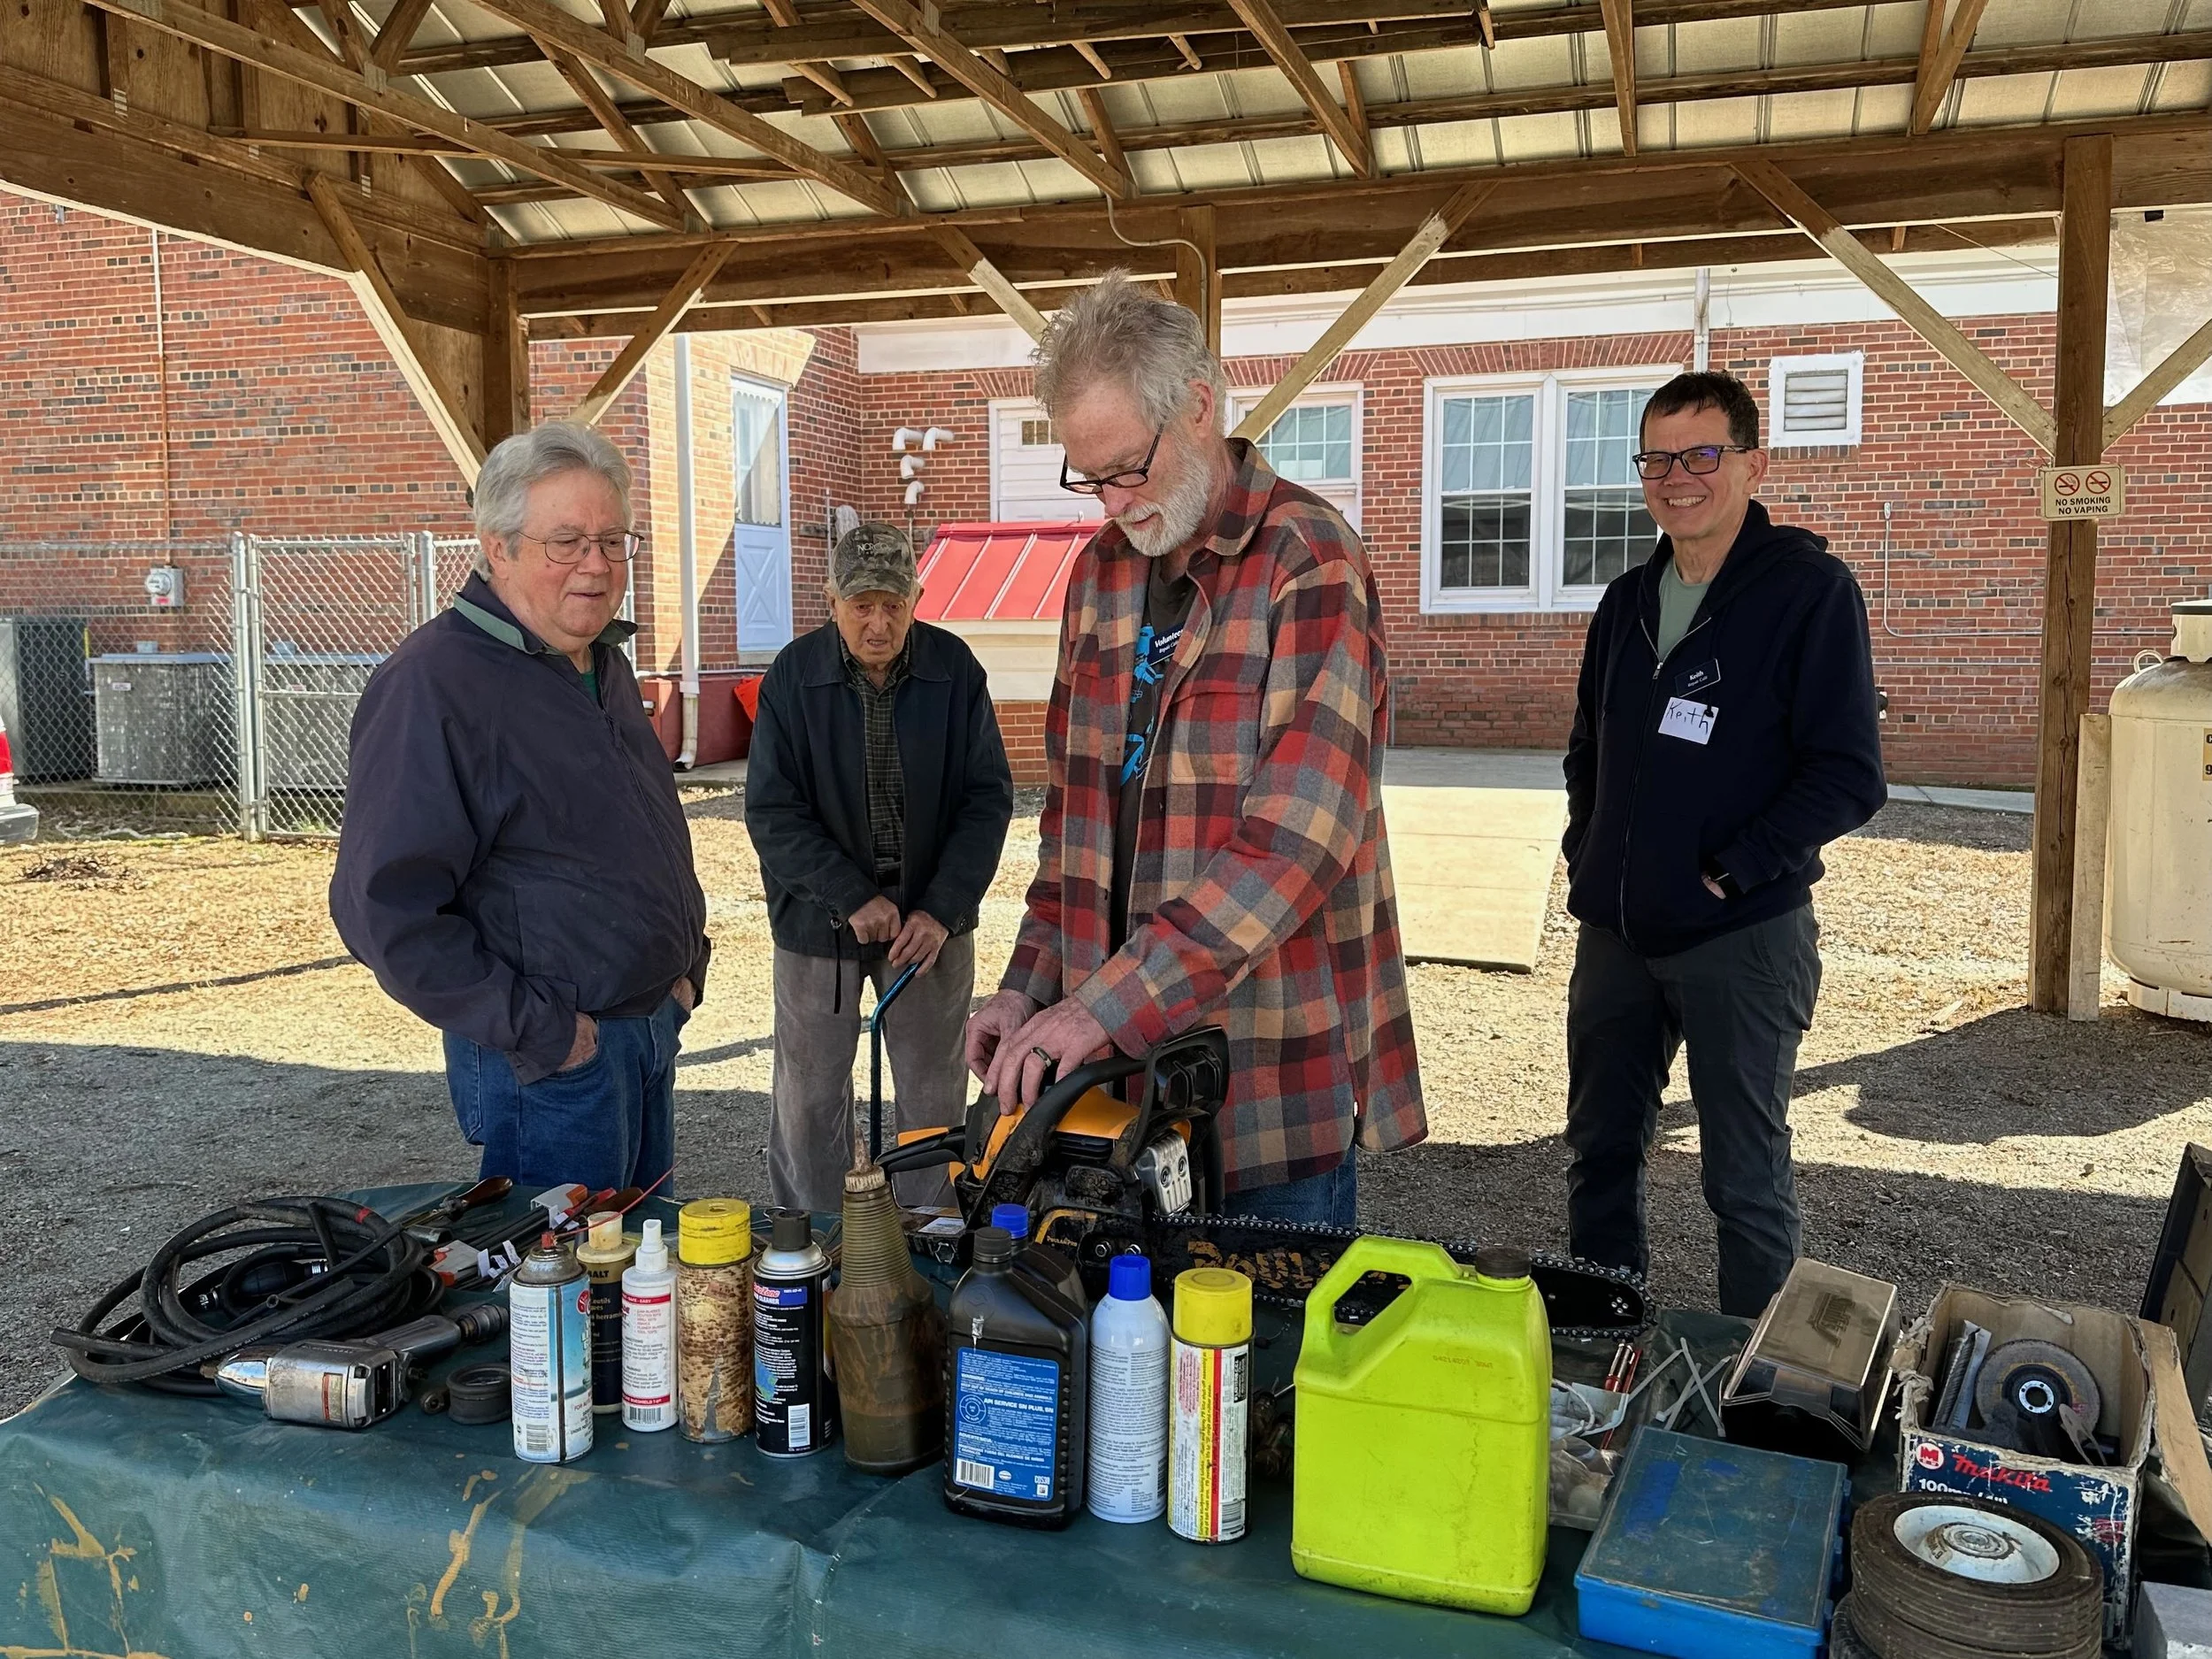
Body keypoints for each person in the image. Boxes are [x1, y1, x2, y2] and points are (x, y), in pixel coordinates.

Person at [964, 272, 1425, 1227]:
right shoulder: (1098, 577)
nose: (1109, 504)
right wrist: (1027, 991)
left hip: (1263, 1087)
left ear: (1202, 409)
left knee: (1268, 1369)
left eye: (1127, 468)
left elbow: (1296, 845)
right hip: (1112, 1093)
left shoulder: (1309, 559)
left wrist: (1100, 1009)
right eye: (1087, 478)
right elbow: (1073, 835)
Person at [1561, 369, 1886, 1317]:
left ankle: (1757, 1398)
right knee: (1600, 1152)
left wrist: (1733, 868)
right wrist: (1591, 850)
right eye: (1656, 458)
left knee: (1742, 1178)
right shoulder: (1626, 601)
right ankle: (1596, 1342)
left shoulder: (1808, 594)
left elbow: (1848, 774)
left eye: (1701, 455)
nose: (1677, 477)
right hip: (1617, 935)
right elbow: (1590, 747)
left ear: (1751, 462)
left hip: (1738, 936)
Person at [330, 422, 709, 1194]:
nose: (596, 566)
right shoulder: (434, 685)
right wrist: (547, 1032)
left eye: (611, 540)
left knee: (640, 1295)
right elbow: (383, 911)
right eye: (565, 541)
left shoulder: (598, 665)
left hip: (645, 1034)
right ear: (497, 547)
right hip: (551, 1066)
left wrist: (684, 973)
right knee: (560, 1304)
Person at [745, 523, 1013, 1211]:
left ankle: (931, 1240)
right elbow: (772, 811)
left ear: (917, 598)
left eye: (894, 603)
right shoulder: (792, 675)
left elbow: (987, 801)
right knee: (808, 1102)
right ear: (830, 600)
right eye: (862, 604)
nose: (878, 621)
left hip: (928, 926)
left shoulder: (955, 669)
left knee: (933, 1098)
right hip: (817, 925)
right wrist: (848, 893)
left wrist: (942, 908)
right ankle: (816, 1246)